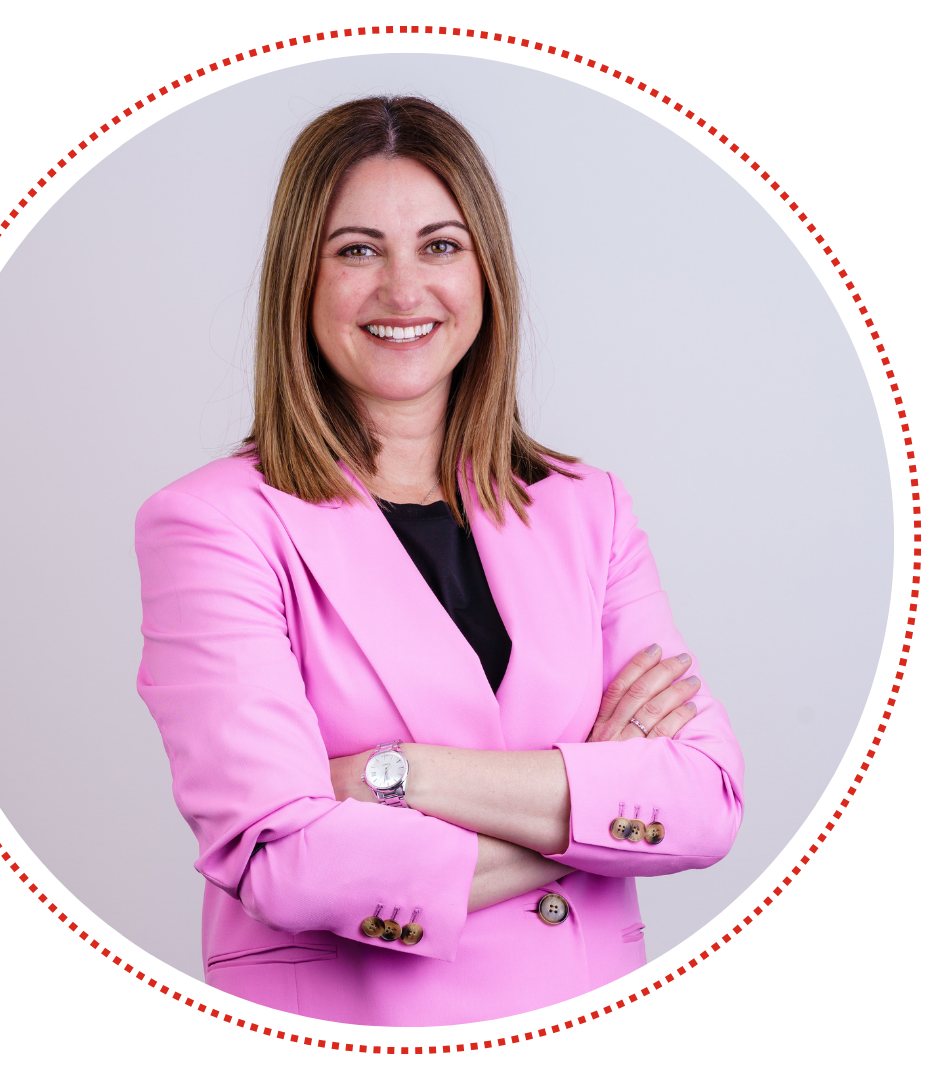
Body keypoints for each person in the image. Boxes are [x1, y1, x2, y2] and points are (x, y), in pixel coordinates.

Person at [134, 95, 743, 1027]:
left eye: (441, 246)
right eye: (357, 249)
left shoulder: (588, 507)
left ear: (486, 271)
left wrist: (397, 772)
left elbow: (705, 800)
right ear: (300, 278)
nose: (403, 291)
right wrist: (591, 812)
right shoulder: (215, 524)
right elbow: (279, 859)